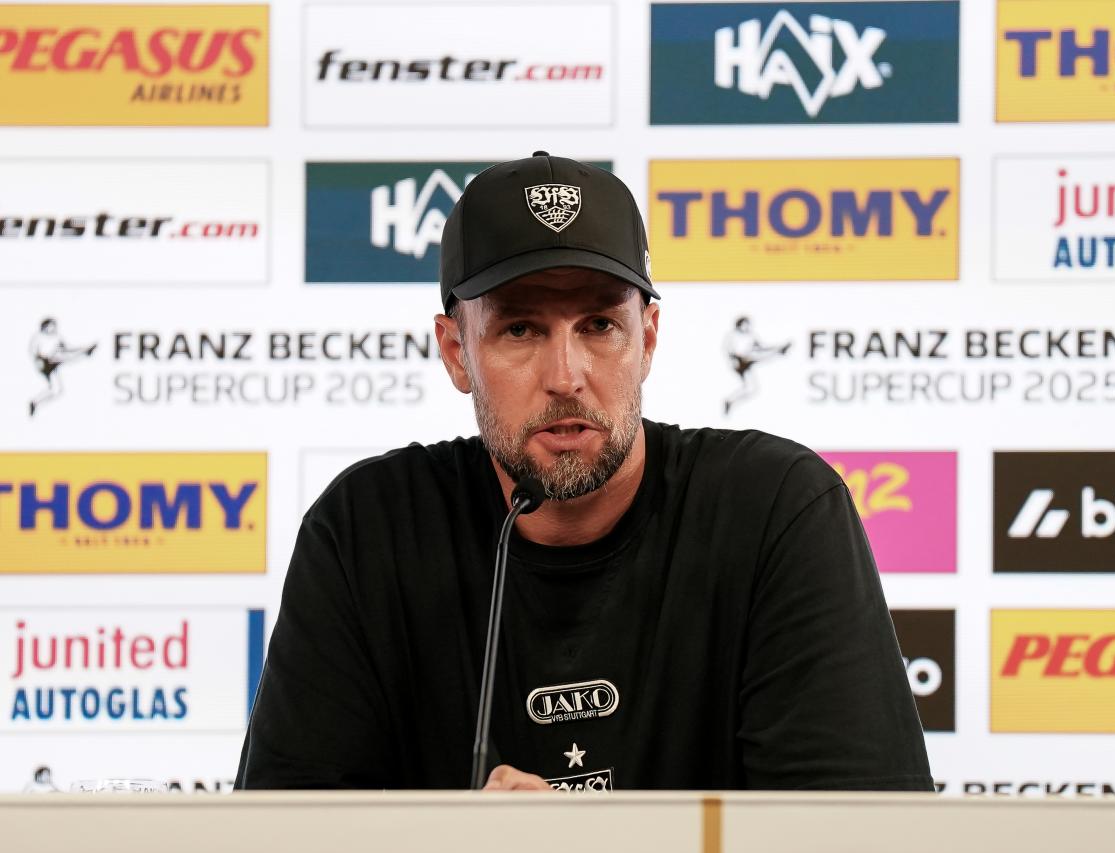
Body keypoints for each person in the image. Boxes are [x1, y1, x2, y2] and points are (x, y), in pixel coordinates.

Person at [236, 152, 931, 792]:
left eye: (598, 325)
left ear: (647, 339)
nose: (566, 376)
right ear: (455, 352)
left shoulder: (777, 509)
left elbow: (863, 833)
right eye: (520, 329)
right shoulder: (366, 532)